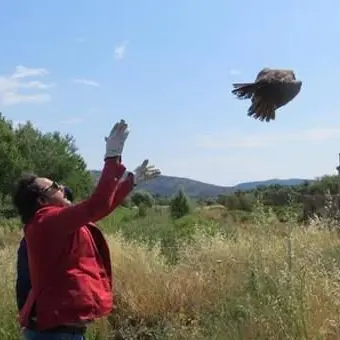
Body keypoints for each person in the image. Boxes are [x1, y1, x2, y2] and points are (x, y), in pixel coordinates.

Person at [12, 119, 161, 340]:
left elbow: (101, 208)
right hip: (53, 335)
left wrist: (131, 181)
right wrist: (112, 156)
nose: (61, 187)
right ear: (41, 200)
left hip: (63, 332)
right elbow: (96, 205)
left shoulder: (52, 223)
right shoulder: (45, 221)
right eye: (54, 186)